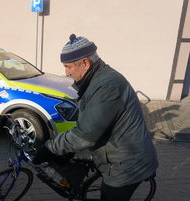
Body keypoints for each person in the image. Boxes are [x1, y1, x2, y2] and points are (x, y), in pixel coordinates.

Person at [32, 34, 158, 201]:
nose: (66, 72)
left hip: (128, 165)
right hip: (117, 156)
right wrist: (67, 149)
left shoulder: (107, 86)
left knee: (109, 196)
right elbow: (89, 122)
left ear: (85, 63)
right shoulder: (96, 79)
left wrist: (49, 148)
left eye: (68, 66)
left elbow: (86, 134)